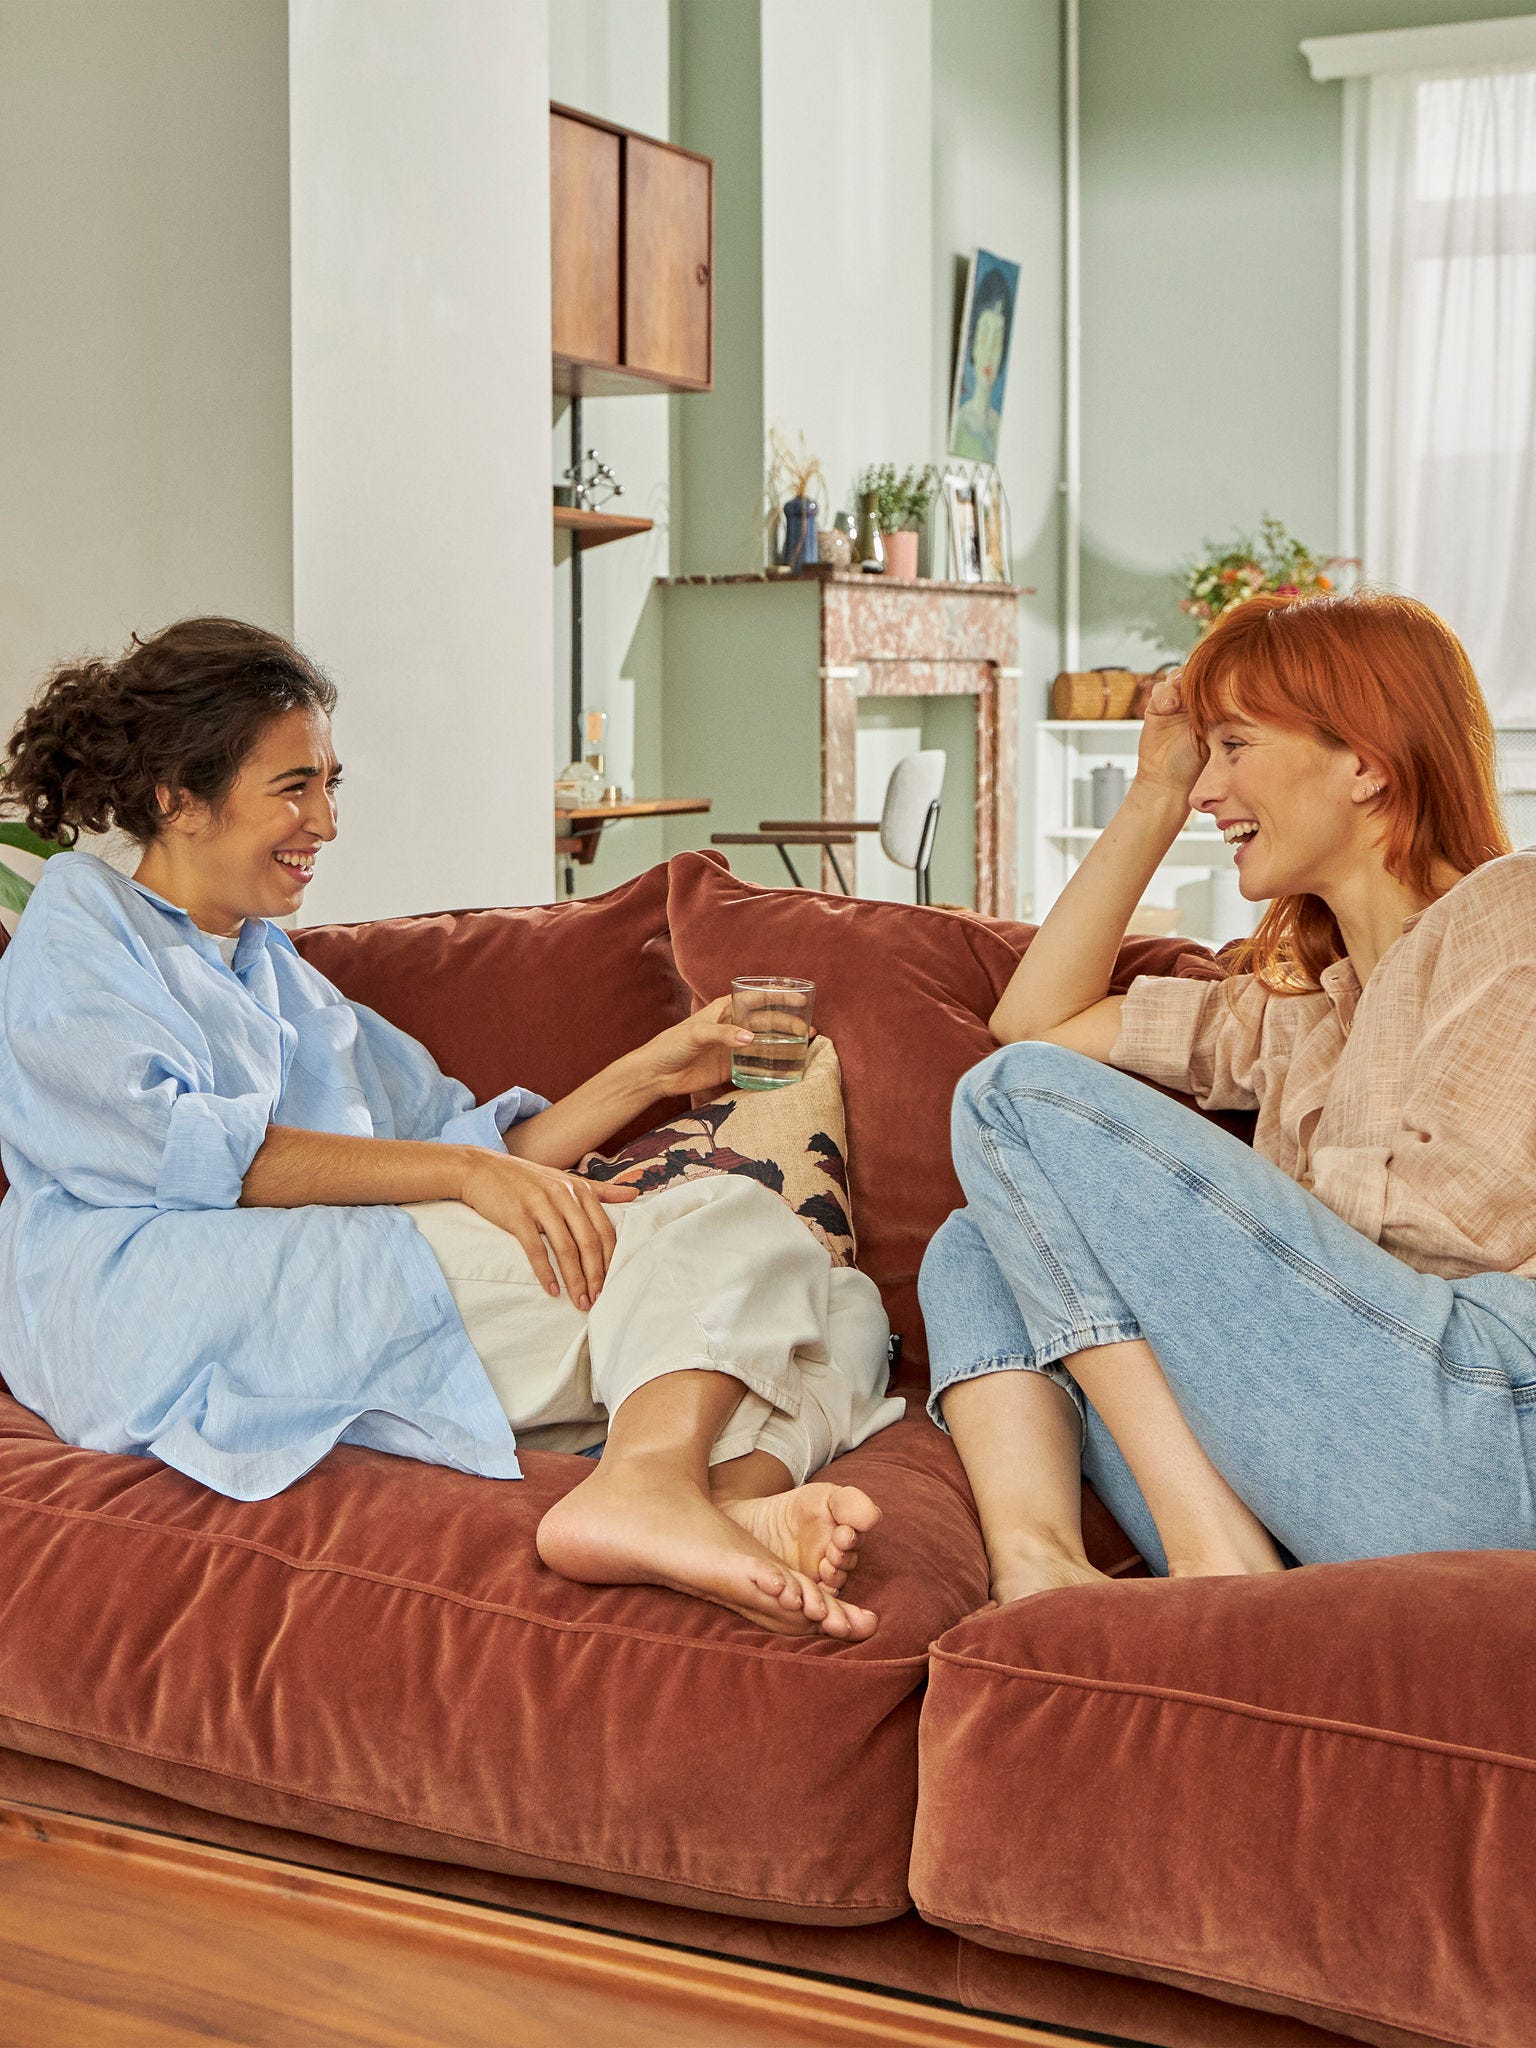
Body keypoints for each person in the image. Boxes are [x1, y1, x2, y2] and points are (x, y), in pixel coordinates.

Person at [0, 618, 904, 1638]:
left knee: (841, 1302)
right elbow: (172, 1148)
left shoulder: (279, 974)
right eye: (294, 786)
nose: (325, 821)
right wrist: (466, 1178)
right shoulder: (82, 925)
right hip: (161, 1301)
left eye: (331, 784)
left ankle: (726, 1502)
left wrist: (654, 1069)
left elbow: (470, 1150)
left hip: (346, 1273)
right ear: (178, 797)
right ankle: (652, 1481)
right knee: (735, 1224)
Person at [919, 589, 1536, 1603]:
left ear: (1366, 763)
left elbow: (1451, 1231)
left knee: (1012, 1101)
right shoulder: (1294, 1016)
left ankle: (1216, 1555)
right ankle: (1045, 1567)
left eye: (1235, 745)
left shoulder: (1512, 908)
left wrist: (1174, 1235)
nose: (1209, 787)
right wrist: (1152, 793)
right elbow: (1034, 1020)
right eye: (1203, 756)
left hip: (1482, 1433)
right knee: (975, 1240)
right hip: (1315, 1471)